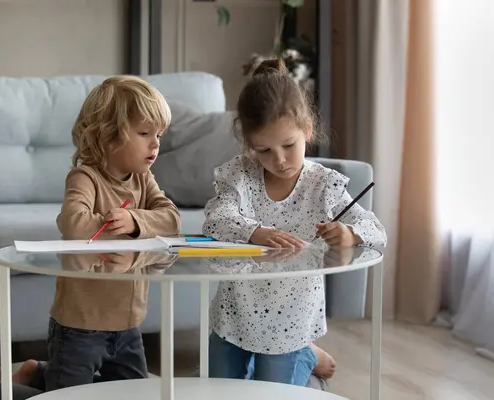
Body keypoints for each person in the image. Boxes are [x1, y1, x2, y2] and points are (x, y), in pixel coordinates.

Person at [202, 58, 387, 386]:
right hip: (234, 314)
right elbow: (216, 220)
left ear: (307, 130)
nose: (280, 160)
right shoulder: (239, 175)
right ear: (249, 146)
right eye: (264, 150)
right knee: (219, 391)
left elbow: (377, 232)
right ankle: (308, 353)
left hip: (292, 320)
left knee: (275, 394)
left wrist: (350, 234)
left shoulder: (323, 185)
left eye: (289, 145)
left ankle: (305, 352)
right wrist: (255, 232)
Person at [47, 76, 181, 391]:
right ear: (108, 135)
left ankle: (36, 372)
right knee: (64, 396)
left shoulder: (144, 179)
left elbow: (172, 220)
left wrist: (135, 220)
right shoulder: (85, 177)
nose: (155, 144)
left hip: (129, 326)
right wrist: (111, 226)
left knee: (132, 395)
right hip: (79, 327)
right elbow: (72, 223)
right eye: (144, 133)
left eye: (159, 134)